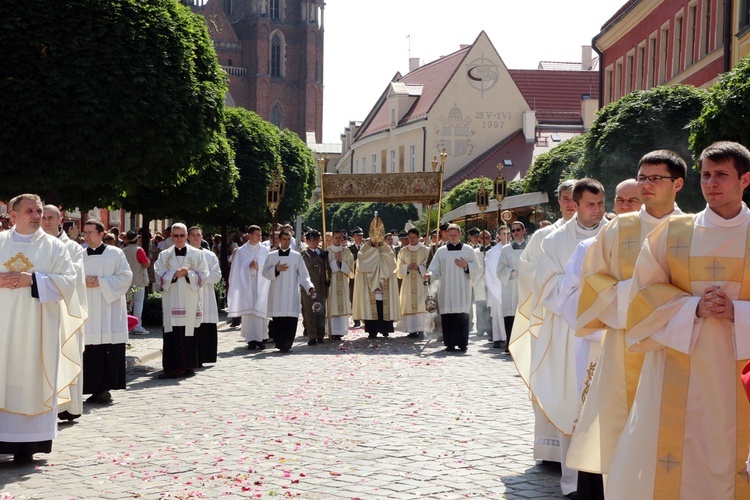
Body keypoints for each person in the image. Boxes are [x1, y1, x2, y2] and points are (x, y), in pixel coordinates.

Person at [605, 142, 750, 499]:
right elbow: (643, 296)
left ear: (745, 179)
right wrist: (692, 309)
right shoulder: (672, 233)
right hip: (677, 368)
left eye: (721, 175)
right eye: (705, 175)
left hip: (742, 372)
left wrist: (738, 312)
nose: (711, 183)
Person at [555, 176, 645, 499]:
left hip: (645, 348)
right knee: (598, 421)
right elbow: (567, 298)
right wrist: (606, 315)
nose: (624, 207)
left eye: (632, 201)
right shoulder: (588, 247)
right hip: (598, 346)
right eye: (620, 201)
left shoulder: (659, 241)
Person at [529, 178, 607, 497]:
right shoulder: (555, 240)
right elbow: (544, 284)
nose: (598, 210)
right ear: (575, 204)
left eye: (601, 204)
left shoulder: (615, 233)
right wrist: (581, 289)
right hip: (569, 333)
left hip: (607, 330)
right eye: (591, 204)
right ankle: (574, 481)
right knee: (572, 402)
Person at [0, 194, 83, 463]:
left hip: (38, 329)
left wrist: (31, 280)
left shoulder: (54, 248)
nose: (37, 216)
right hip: (3, 328)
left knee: (32, 377)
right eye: (30, 211)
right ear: (13, 216)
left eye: (39, 210)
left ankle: (28, 445)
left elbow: (69, 282)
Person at [509, 180, 577, 464]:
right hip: (550, 318)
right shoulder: (545, 235)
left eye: (575, 198)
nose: (570, 203)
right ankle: (550, 449)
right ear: (557, 202)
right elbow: (527, 270)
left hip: (584, 320)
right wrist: (551, 281)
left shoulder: (603, 230)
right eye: (564, 198)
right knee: (550, 377)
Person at [41, 205, 87, 421]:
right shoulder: (35, 244)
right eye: (43, 217)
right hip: (38, 308)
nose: (46, 222)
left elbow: (71, 277)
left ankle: (68, 406)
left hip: (64, 310)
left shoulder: (73, 248)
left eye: (51, 217)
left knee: (64, 354)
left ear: (60, 219)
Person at [81, 219, 133, 404]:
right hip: (87, 308)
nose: (86, 236)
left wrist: (101, 282)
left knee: (107, 348)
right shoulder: (79, 254)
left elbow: (126, 277)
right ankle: (91, 387)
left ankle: (105, 388)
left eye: (90, 232)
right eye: (84, 233)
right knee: (90, 350)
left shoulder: (115, 253)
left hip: (108, 308)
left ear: (101, 234)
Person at [154, 223, 208, 378]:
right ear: (171, 236)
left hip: (189, 299)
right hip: (172, 299)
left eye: (182, 235)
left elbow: (204, 273)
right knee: (172, 333)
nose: (179, 239)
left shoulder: (197, 254)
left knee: (189, 333)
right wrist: (173, 275)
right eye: (175, 235)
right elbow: (158, 273)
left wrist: (189, 274)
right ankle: (171, 368)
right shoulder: (164, 255)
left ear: (187, 236)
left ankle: (189, 367)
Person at [426, 224, 480, 352]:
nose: (453, 237)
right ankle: (449, 343)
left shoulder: (468, 250)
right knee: (448, 315)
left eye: (455, 235)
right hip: (446, 288)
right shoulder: (441, 251)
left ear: (460, 234)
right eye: (450, 235)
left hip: (462, 288)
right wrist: (429, 275)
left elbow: (477, 268)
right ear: (447, 235)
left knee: (461, 315)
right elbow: (434, 269)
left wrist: (466, 265)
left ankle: (462, 343)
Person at [261, 230, 315, 353]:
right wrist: (276, 269)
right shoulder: (272, 256)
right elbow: (264, 272)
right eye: (283, 239)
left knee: (290, 320)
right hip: (277, 294)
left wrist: (309, 287)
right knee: (279, 320)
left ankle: (287, 343)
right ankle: (280, 342)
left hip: (291, 293)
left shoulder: (296, 256)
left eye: (288, 239)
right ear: (279, 240)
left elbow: (303, 275)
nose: (286, 241)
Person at [352, 217, 400, 339]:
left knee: (384, 305)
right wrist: (375, 255)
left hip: (384, 283)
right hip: (369, 284)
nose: (376, 238)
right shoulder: (365, 249)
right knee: (371, 306)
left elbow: (391, 264)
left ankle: (385, 329)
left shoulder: (386, 249)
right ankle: (372, 330)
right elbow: (361, 264)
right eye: (374, 235)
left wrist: (379, 258)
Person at [227, 225, 271, 350]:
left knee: (260, 310)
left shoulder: (264, 250)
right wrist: (247, 266)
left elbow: (267, 266)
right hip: (247, 284)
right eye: (257, 234)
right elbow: (236, 270)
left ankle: (261, 338)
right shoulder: (241, 251)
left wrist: (259, 266)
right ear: (250, 235)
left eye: (260, 235)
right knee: (250, 313)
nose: (259, 237)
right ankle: (251, 339)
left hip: (261, 283)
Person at [189, 226, 222, 366]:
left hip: (206, 295)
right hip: (189, 296)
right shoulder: (184, 255)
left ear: (202, 237)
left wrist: (199, 277)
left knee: (205, 326)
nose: (196, 237)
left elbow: (217, 275)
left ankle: (204, 357)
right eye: (192, 235)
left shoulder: (210, 255)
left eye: (198, 235)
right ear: (188, 237)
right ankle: (191, 359)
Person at [496, 222, 527, 350]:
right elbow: (500, 269)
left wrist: (526, 273)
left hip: (526, 286)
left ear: (524, 230)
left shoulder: (531, 247)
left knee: (525, 317)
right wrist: (512, 272)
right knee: (510, 317)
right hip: (510, 286)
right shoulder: (506, 249)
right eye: (512, 231)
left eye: (518, 230)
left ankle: (524, 347)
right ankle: (511, 346)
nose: (515, 233)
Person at [396, 228, 430, 338]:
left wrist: (420, 267)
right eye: (409, 237)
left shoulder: (425, 250)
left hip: (421, 282)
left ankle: (421, 329)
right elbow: (398, 267)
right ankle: (411, 329)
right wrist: (406, 267)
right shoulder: (403, 251)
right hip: (408, 282)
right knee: (409, 304)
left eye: (413, 237)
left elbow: (428, 265)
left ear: (418, 237)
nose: (411, 239)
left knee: (421, 303)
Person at [300, 230, 328, 345]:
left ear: (319, 240)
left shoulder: (323, 252)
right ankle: (312, 336)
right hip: (308, 287)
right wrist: (320, 257)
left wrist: (328, 279)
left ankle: (320, 335)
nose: (313, 242)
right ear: (306, 241)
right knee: (309, 312)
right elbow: (309, 263)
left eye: (315, 240)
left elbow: (327, 268)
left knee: (320, 311)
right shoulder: (303, 254)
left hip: (321, 286)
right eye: (310, 240)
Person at [327, 230, 355, 340]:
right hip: (332, 284)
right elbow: (326, 269)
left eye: (340, 237)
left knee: (341, 304)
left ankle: (340, 331)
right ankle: (332, 330)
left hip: (343, 282)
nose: (338, 239)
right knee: (332, 304)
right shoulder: (328, 251)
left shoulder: (347, 252)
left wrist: (340, 263)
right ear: (332, 238)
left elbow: (351, 271)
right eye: (336, 237)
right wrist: (335, 263)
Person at [122, 230, 150, 334]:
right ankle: (137, 326)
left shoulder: (122, 250)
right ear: (137, 239)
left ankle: (126, 325)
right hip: (138, 282)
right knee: (138, 304)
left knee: (128, 304)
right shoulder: (139, 250)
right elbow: (146, 264)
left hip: (126, 282)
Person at [349, 227, 364, 329]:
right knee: (353, 297)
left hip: (364, 277)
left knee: (364, 297)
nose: (360, 237)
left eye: (361, 235)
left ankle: (364, 317)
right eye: (358, 235)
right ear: (354, 237)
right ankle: (356, 319)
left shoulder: (366, 248)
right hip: (353, 276)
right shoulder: (349, 249)